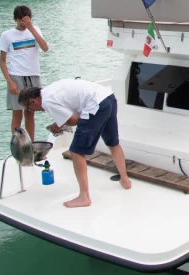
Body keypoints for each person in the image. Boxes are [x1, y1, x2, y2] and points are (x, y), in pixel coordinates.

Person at [18, 79, 132, 208]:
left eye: (29, 109)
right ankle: (125, 180)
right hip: (108, 97)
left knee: (76, 151)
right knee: (113, 143)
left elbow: (75, 120)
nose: (34, 111)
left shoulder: (47, 101)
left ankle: (84, 197)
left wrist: (61, 124)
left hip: (96, 105)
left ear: (33, 101)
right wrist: (60, 122)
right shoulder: (51, 90)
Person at [0, 5, 49, 142]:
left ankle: (31, 144)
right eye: (21, 20)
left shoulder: (35, 30)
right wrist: (10, 82)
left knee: (30, 112)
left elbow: (45, 48)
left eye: (26, 20)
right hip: (16, 76)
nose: (23, 23)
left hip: (34, 75)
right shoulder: (7, 35)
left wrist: (31, 28)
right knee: (17, 113)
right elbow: (2, 61)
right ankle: (19, 145)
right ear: (15, 19)